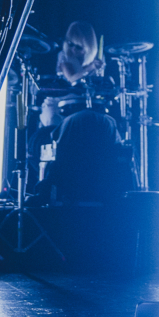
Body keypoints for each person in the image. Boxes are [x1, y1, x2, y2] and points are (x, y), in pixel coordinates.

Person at [32, 22, 128, 203]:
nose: (74, 49)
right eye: (71, 44)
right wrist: (91, 68)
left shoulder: (95, 60)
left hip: (84, 107)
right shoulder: (64, 56)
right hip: (59, 104)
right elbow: (72, 77)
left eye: (79, 47)